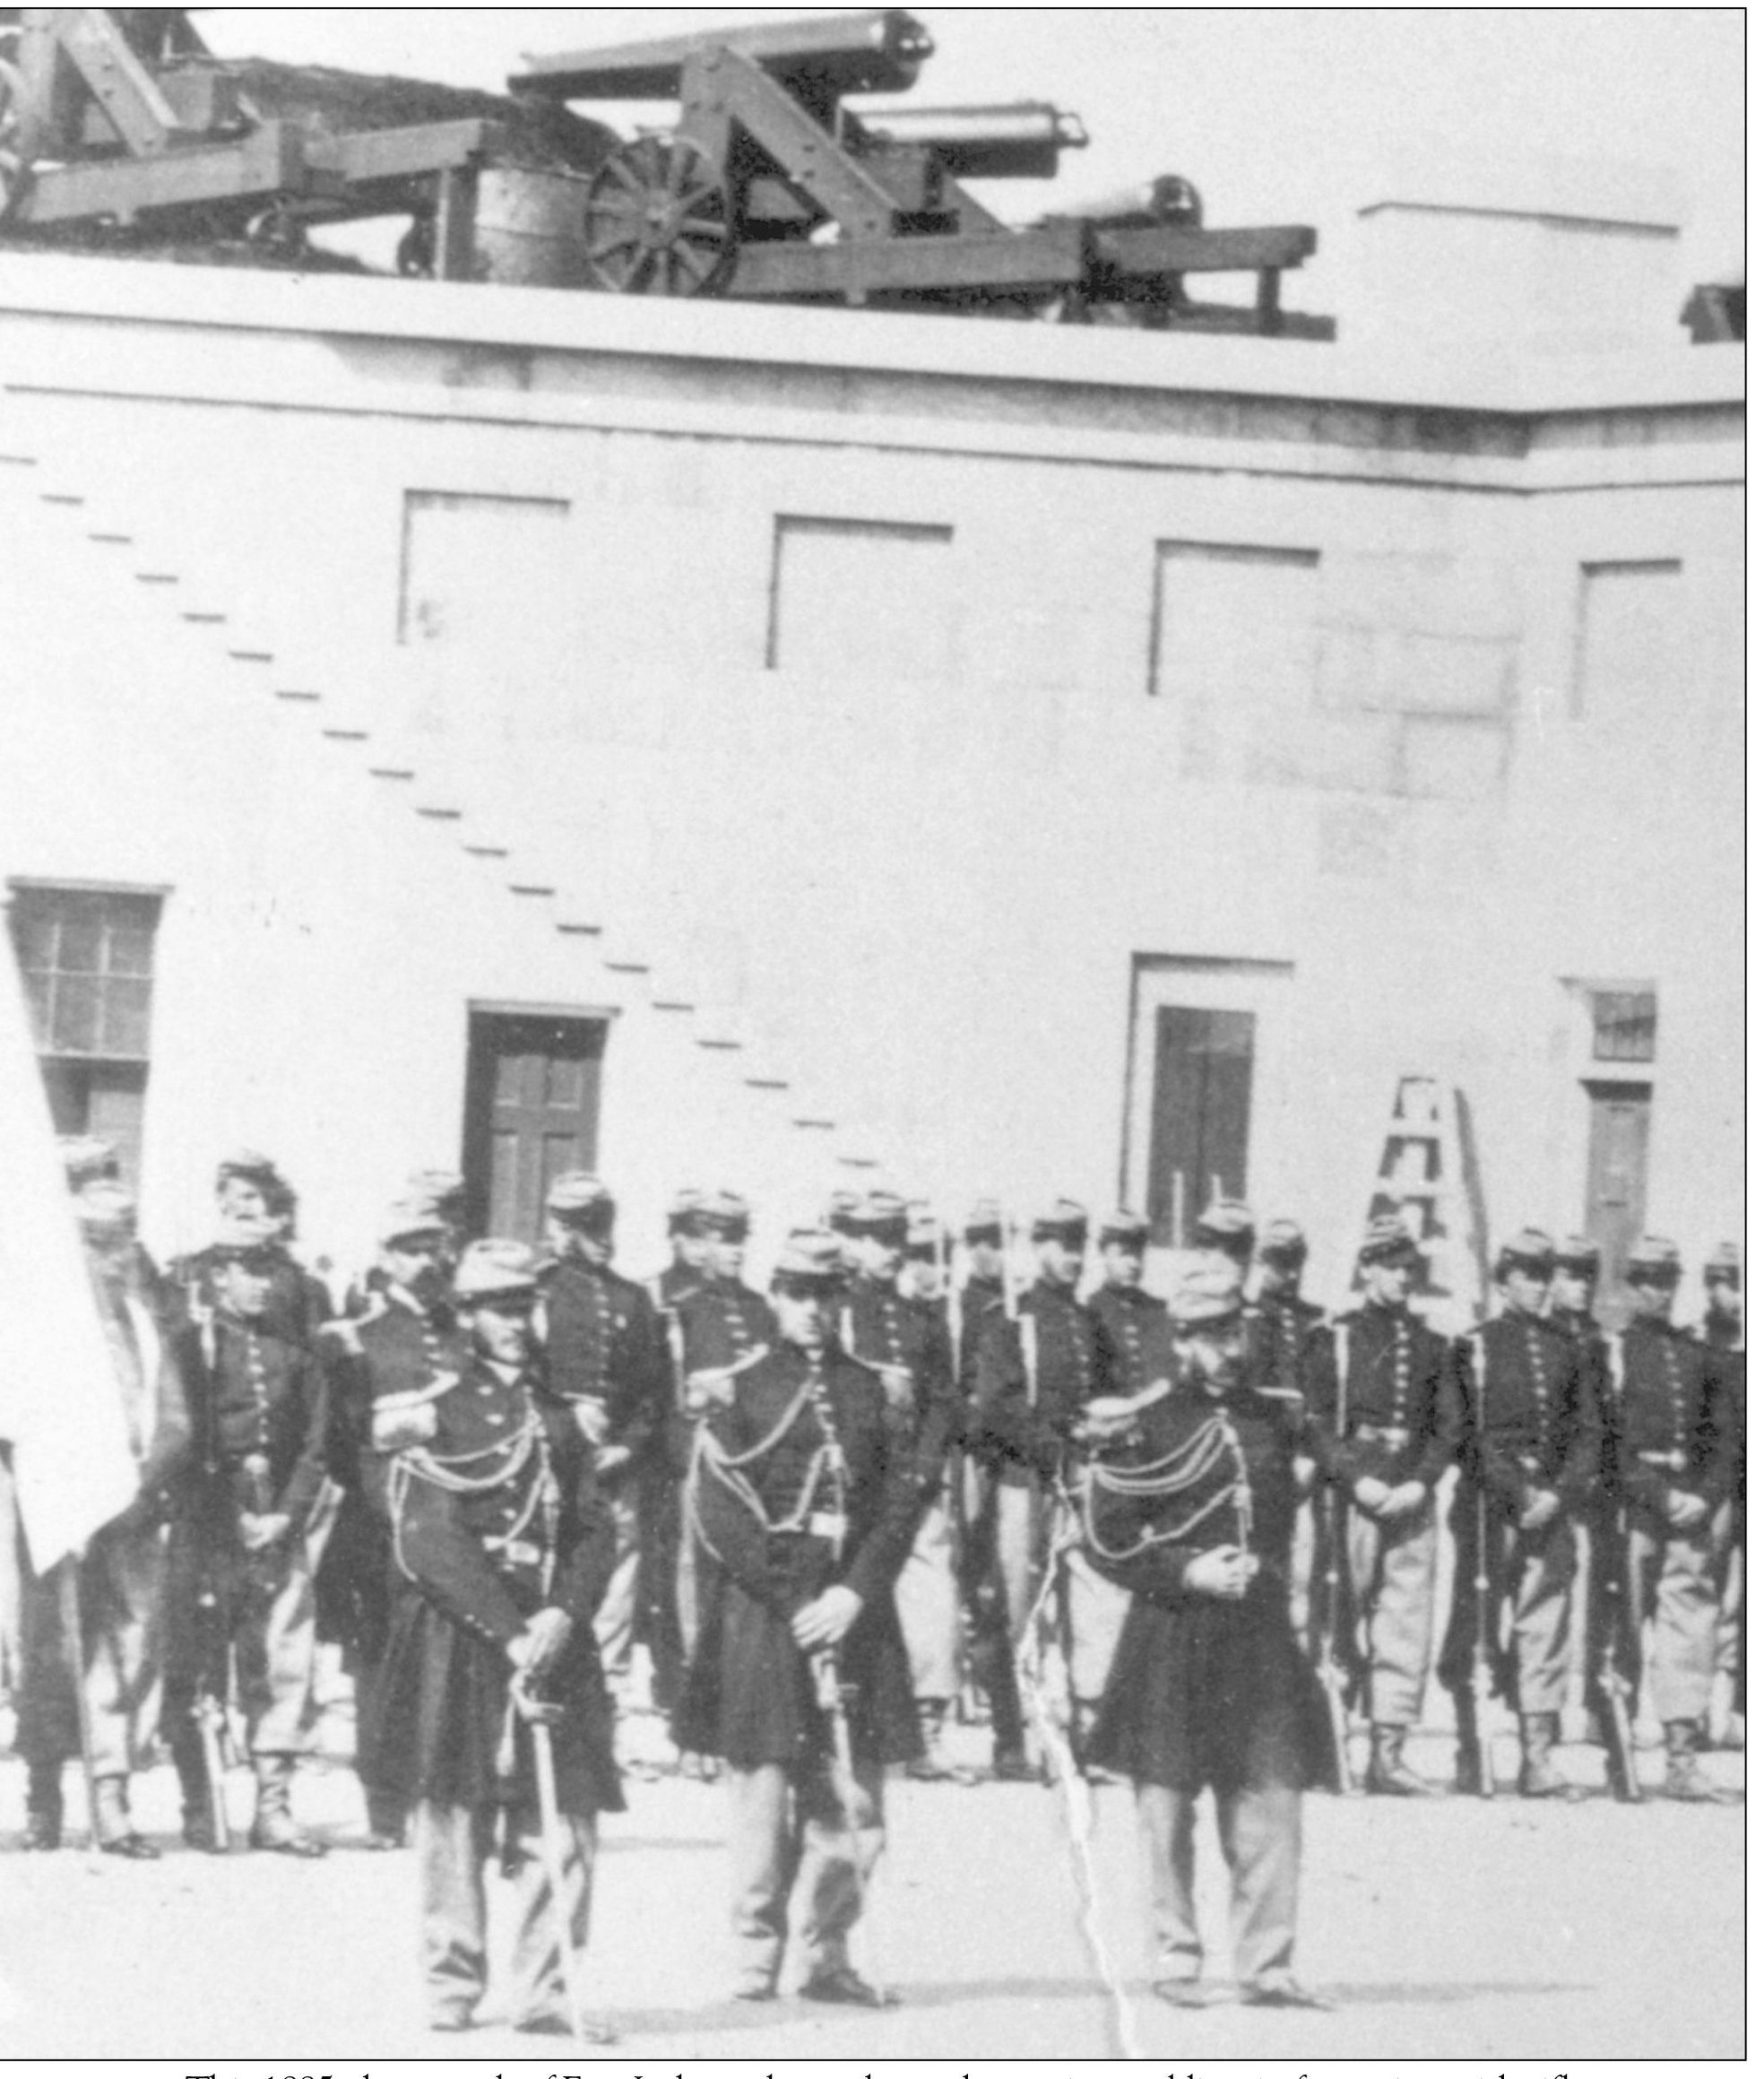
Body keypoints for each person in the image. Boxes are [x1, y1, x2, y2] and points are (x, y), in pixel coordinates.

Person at [359, 1239, 623, 2038]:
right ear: (467, 1316)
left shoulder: (561, 1414)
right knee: (453, 1816)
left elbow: (594, 1531)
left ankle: (545, 1989)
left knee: (567, 1819)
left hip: (550, 1632)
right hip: (464, 1634)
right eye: (501, 1308)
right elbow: (427, 1537)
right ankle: (452, 1982)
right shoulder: (432, 1408)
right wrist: (513, 1635)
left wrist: (563, 1615)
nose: (517, 1322)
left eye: (525, 1306)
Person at [675, 1229, 921, 2007]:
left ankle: (826, 1948)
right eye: (797, 1292)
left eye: (825, 1294)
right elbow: (718, 1513)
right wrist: (795, 1603)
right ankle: (755, 1950)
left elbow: (898, 1503)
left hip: (854, 1608)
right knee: (762, 1790)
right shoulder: (738, 1388)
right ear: (774, 1296)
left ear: (841, 1300)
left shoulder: (874, 1390)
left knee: (855, 1794)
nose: (811, 1309)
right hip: (768, 1609)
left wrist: (853, 1593)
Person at [1079, 1264, 1334, 2011]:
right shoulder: (1146, 1421)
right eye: (1207, 1335)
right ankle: (1175, 1955)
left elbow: (1290, 1508)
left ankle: (1268, 1963)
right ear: (1181, 1341)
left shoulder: (1276, 1417)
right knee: (1166, 1805)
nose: (1225, 1349)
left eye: (1233, 1331)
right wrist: (1187, 1569)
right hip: (1173, 1632)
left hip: (1256, 1635)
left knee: (1271, 1797)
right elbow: (1105, 1535)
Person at [17, 1182, 192, 1855]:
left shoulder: (145, 1326)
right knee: (49, 1653)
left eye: (120, 1238)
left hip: (132, 1516)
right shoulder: (36, 1331)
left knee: (127, 1654)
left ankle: (112, 1800)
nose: (110, 1255)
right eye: (95, 1241)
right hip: (57, 1520)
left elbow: (175, 1420)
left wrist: (136, 1489)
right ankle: (43, 1799)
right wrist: (62, 1495)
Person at [164, 1236, 332, 1853]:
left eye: (270, 1272)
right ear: (218, 1275)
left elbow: (316, 1446)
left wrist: (286, 1516)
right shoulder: (191, 1350)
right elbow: (178, 1436)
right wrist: (227, 1513)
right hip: (209, 1522)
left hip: (278, 1522)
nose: (262, 1284)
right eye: (249, 1271)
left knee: (283, 1659)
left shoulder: (296, 1355)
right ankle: (201, 1800)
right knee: (200, 1657)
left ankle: (273, 1807)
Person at [324, 1195, 471, 1847]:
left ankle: (447, 1796)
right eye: (412, 1249)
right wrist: (390, 1507)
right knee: (380, 1666)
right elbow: (339, 1441)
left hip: (461, 1527)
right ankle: (385, 1804)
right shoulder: (363, 1337)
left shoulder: (466, 1334)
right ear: (386, 1257)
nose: (428, 1262)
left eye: (436, 1248)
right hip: (382, 1529)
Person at [1440, 1229, 1598, 1798]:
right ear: (1503, 1278)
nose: (1537, 1283)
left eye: (1543, 1272)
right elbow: (1461, 1433)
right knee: (1476, 1622)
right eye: (1526, 1272)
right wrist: (1516, 1491)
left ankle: (1537, 1759)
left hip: (1551, 1505)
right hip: (1490, 1504)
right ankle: (1469, 1747)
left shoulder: (1569, 1349)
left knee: (1546, 1628)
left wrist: (1557, 1493)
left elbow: (1588, 1433)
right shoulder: (1473, 1345)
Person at [1313, 1218, 1458, 1796]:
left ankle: (1389, 1752)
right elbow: (1318, 1423)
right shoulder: (1338, 1338)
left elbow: (1448, 1426)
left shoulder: (1432, 1345)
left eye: (1409, 1268)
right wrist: (1355, 1477)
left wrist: (1423, 1482)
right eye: (1391, 1266)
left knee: (1405, 1623)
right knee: (1340, 1618)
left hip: (1410, 1497)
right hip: (1357, 1495)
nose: (1402, 1277)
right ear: (1367, 1268)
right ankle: (1333, 1749)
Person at [967, 1200, 1107, 1770]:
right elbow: (996, 1409)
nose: (1072, 1258)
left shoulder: (1087, 1324)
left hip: (1078, 1487)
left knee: (1084, 1615)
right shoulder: (1010, 1320)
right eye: (1060, 1246)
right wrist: (1049, 1447)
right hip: (1025, 1485)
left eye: (1079, 1247)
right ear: (1038, 1248)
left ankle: (1075, 1739)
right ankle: (1009, 1736)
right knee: (1016, 1613)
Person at [839, 1191, 964, 1780]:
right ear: (849, 1239)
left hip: (912, 1475)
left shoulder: (921, 1318)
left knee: (932, 1595)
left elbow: (943, 1399)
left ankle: (928, 1728)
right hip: (853, 1476)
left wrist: (924, 1465)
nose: (886, 1251)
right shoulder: (838, 1310)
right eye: (873, 1238)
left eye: (893, 1239)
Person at [535, 1174, 668, 1707]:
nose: (603, 1237)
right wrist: (564, 1424)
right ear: (562, 1229)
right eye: (589, 1227)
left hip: (613, 1460)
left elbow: (653, 1391)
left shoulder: (632, 1299)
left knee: (618, 1571)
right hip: (552, 1456)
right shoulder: (537, 1292)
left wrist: (629, 1446)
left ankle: (607, 1688)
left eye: (605, 1224)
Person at [1617, 1235, 1735, 1800]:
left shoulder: (1697, 1356)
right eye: (1644, 1280)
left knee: (1688, 1631)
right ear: (1629, 1284)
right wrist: (1661, 1497)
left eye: (1665, 1281)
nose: (1655, 1291)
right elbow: (1606, 1440)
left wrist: (1705, 1498)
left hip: (1689, 1509)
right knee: (1621, 1625)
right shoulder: (1612, 1352)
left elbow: (1726, 1440)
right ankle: (1610, 1745)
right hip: (1637, 1508)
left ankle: (1682, 1759)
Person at [1073, 1209, 1165, 1740]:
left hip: (1153, 1463)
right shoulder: (1089, 1314)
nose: (1129, 1261)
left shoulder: (1160, 1314)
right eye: (1118, 1251)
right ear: (1103, 1254)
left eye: (1136, 1251)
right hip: (1108, 1464)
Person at [952, 1200, 1033, 1780]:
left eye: (997, 1239)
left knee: (1007, 1600)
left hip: (1010, 1470)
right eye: (977, 1240)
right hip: (959, 1467)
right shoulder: (955, 1312)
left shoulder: (1022, 1312)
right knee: (971, 1592)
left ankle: (1014, 1731)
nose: (988, 1251)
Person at [1246, 1219, 1330, 1640]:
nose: (1291, 1273)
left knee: (1306, 1571)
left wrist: (1310, 1457)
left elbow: (1321, 1399)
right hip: (1260, 1466)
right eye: (1280, 1263)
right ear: (1262, 1262)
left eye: (1296, 1262)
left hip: (1305, 1465)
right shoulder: (1247, 1320)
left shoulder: (1315, 1324)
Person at [1700, 1242, 1744, 1746]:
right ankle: (1692, 1714)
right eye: (1715, 1283)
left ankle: (1741, 1713)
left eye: (1732, 1282)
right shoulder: (1698, 1347)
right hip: (1712, 1488)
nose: (1724, 1294)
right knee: (1701, 1599)